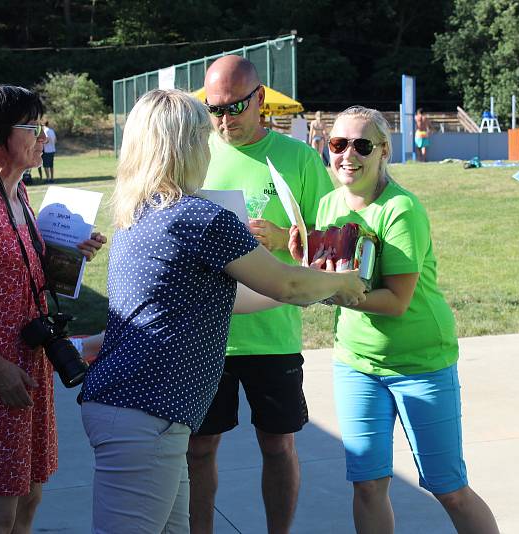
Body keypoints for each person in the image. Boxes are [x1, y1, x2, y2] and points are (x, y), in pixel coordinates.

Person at [79, 88, 365, 533]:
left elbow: (243, 297)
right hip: (146, 413)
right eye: (202, 130)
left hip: (141, 411)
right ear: (186, 143)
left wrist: (319, 290)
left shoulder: (141, 211)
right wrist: (344, 282)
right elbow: (286, 282)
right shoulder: (201, 217)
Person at [290, 106, 499, 534]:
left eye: (361, 145)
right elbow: (332, 275)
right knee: (367, 484)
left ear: (384, 151)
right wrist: (308, 268)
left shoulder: (401, 210)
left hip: (421, 364)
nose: (348, 154)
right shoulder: (329, 205)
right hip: (357, 364)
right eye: (337, 144)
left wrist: (324, 289)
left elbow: (396, 301)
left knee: (448, 488)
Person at [0, 84, 105, 534]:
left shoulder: (17, 192)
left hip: (31, 366)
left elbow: (23, 269)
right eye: (33, 127)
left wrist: (71, 253)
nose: (44, 136)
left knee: (29, 496)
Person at [187, 54, 335, 534]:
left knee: (278, 444)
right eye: (214, 108)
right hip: (207, 331)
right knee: (200, 447)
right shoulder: (195, 152)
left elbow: (333, 241)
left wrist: (287, 236)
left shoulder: (299, 158)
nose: (224, 120)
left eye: (234, 107)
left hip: (273, 331)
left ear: (261, 99)